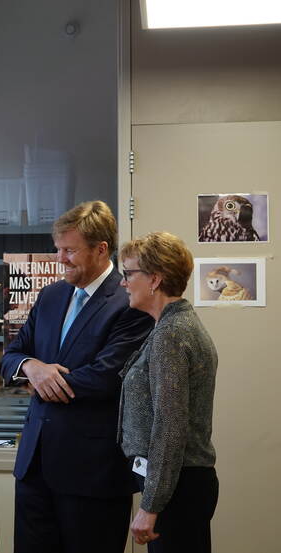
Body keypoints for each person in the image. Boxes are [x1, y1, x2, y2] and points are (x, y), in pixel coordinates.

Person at [0, 200, 153, 553]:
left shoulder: (129, 300)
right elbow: (10, 357)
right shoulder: (51, 296)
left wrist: (43, 382)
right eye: (58, 249)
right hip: (35, 468)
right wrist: (31, 367)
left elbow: (106, 377)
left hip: (92, 473)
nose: (60, 259)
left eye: (69, 250)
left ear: (101, 249)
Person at [118, 232, 218, 552]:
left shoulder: (171, 334)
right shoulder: (175, 325)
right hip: (180, 483)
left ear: (155, 279)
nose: (123, 283)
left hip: (176, 487)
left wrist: (151, 505)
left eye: (128, 273)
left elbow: (170, 425)